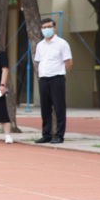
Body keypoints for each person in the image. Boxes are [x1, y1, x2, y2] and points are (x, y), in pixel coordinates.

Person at [33, 17, 72, 145]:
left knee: (59, 107)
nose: (46, 30)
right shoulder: (40, 45)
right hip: (43, 79)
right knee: (45, 108)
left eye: (49, 27)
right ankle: (46, 134)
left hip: (57, 78)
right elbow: (39, 61)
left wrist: (63, 75)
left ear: (54, 28)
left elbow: (68, 62)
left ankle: (59, 135)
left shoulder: (62, 43)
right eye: (44, 28)